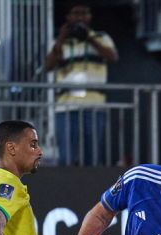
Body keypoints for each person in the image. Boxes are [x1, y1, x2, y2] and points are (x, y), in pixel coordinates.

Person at [45, 2, 118, 166]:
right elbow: (48, 66)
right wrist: (62, 38)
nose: (80, 17)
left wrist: (89, 38)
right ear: (68, 17)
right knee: (67, 158)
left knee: (92, 157)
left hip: (94, 106)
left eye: (84, 13)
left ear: (90, 16)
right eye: (76, 13)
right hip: (65, 107)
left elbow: (113, 58)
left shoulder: (101, 37)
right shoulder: (59, 41)